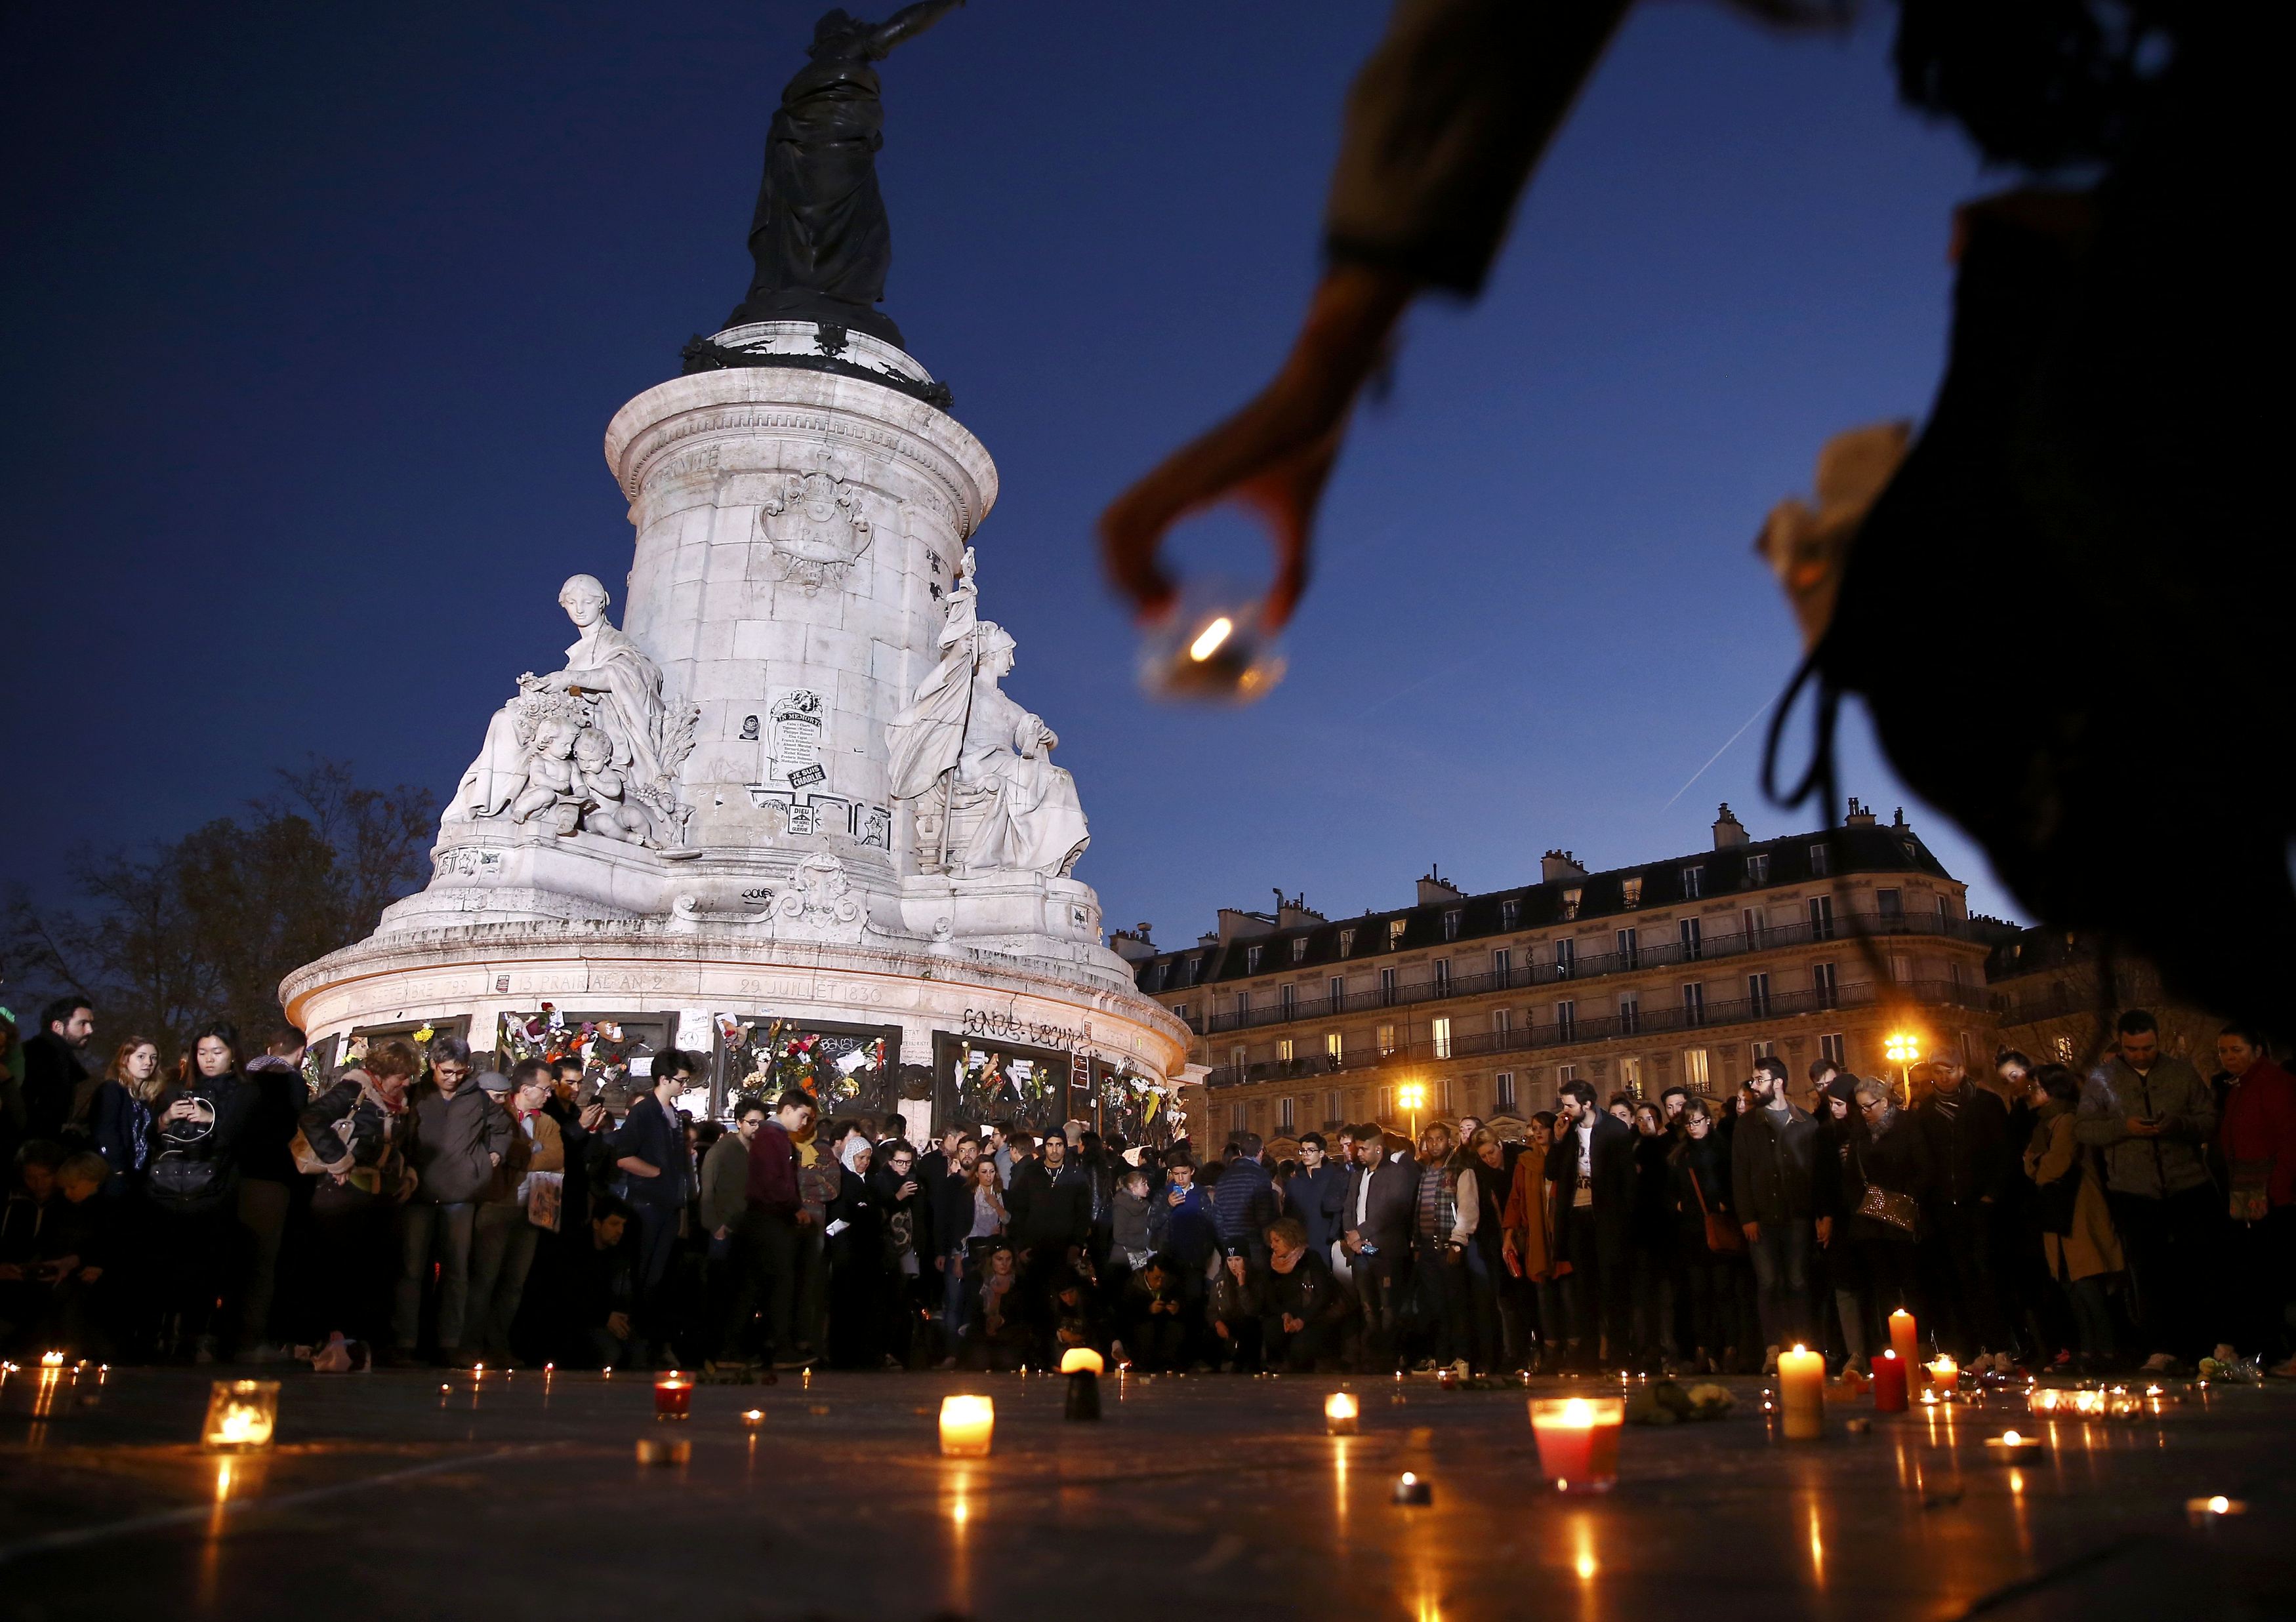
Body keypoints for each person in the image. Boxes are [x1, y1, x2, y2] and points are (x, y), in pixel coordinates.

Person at [2076, 1010, 2218, 1369]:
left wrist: (2179, 1125)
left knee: (2197, 1268)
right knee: (2149, 1272)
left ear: (2157, 1040)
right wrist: (2124, 1127)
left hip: (2187, 1184)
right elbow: (2086, 1129)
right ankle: (2160, 1346)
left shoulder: (2181, 1072)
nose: (2141, 1055)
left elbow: (2208, 1119)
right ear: (2121, 1044)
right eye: (2132, 1049)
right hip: (2134, 1190)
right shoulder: (2102, 1079)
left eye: (2148, 1048)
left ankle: (2203, 1345)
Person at [389, 1036, 509, 1368]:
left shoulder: (478, 1099)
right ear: (432, 1066)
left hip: (460, 1195)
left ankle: (450, 1344)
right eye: (447, 1072)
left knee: (457, 1272)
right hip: (419, 1194)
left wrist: (491, 1158)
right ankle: (406, 1343)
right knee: (412, 1270)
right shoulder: (417, 1095)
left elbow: (502, 1129)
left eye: (460, 1072)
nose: (454, 1078)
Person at [298, 1039, 420, 1368]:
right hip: (342, 1197)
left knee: (375, 1273)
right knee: (338, 1271)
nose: (408, 1082)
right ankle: (331, 1344)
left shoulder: (400, 1102)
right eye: (402, 1075)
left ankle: (365, 1346)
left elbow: (390, 1143)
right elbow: (312, 1118)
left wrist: (405, 1171)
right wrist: (338, 1160)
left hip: (379, 1196)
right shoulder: (355, 1089)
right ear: (382, 1073)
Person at [147, 1021, 255, 1362]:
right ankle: (158, 1334)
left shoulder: (244, 1091)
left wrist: (208, 1119)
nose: (209, 1059)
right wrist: (165, 1119)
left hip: (213, 1189)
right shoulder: (175, 1088)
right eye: (202, 1052)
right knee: (165, 1265)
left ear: (232, 1055)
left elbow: (238, 1136)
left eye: (217, 1052)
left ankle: (196, 1337)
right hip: (167, 1190)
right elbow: (151, 1138)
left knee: (205, 1266)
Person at [1912, 1057, 2015, 1368]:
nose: (1943, 1078)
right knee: (1962, 1276)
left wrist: (1991, 1194)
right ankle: (1979, 1347)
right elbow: (1926, 1157)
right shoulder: (1928, 1111)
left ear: (1962, 1071)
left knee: (1987, 1272)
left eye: (1949, 1072)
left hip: (1981, 1202)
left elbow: (2003, 1151)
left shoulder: (1984, 1103)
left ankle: (2003, 1345)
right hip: (1946, 1205)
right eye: (1938, 1073)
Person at [2021, 1062, 2122, 1373]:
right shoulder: (2044, 1124)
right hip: (2058, 1212)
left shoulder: (2067, 1120)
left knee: (2086, 1283)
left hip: (2078, 1210)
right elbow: (2030, 1164)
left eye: (2036, 1088)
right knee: (2071, 1284)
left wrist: (2037, 1164)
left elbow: (2054, 1165)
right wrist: (2037, 1164)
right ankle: (2088, 1350)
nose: (2032, 1094)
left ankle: (2107, 1350)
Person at [467, 1062, 563, 1365]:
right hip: (497, 1205)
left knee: (514, 1283)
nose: (549, 1094)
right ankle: (470, 1345)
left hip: (533, 1209)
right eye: (545, 1089)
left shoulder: (546, 1121)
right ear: (525, 1089)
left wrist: (520, 1156)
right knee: (484, 1278)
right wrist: (529, 1152)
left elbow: (556, 1156)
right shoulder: (499, 1114)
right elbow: (498, 1152)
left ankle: (498, 1344)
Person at [2214, 1025, 2296, 1373]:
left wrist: (2277, 1190)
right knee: (2263, 1275)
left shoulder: (2275, 1085)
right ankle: (2275, 1349)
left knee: (2282, 1275)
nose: (2230, 1057)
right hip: (2249, 1194)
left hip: (2275, 1196)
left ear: (2257, 1051)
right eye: (2224, 1051)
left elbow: (2289, 1141)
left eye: (2237, 1050)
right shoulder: (2238, 1088)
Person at [1732, 1055, 1818, 1371]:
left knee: (1797, 1281)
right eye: (1753, 1080)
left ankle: (1802, 1346)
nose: (1754, 1086)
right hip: (1762, 1217)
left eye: (1759, 1080)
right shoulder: (1747, 1124)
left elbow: (1814, 1172)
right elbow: (1740, 1172)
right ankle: (1772, 1348)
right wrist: (1747, 1217)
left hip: (1797, 1215)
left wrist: (1819, 1214)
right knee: (1769, 1283)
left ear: (1778, 1083)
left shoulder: (1806, 1122)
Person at [611, 1047, 697, 1360]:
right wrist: (658, 1173)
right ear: (664, 1078)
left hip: (669, 1206)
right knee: (642, 1273)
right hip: (647, 1204)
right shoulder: (645, 1111)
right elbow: (624, 1156)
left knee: (660, 1277)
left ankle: (650, 1341)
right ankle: (632, 1342)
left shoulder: (672, 1114)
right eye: (680, 1080)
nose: (683, 1086)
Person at [725, 1091, 820, 1371]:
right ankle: (779, 1347)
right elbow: (774, 1181)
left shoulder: (773, 1137)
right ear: (787, 1109)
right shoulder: (771, 1136)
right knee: (780, 1283)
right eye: (803, 1115)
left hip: (767, 1218)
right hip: (769, 1219)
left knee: (754, 1285)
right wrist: (795, 1207)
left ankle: (736, 1350)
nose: (804, 1124)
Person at [1548, 1080, 1635, 1369]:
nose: (1565, 1110)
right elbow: (1552, 1172)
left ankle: (1619, 1354)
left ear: (1587, 1104)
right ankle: (1588, 1357)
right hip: (1577, 1216)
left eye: (1570, 1105)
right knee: (1584, 1291)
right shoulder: (1568, 1131)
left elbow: (1626, 1182)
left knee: (1613, 1289)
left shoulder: (1613, 1129)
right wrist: (1557, 1141)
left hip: (1607, 1219)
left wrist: (1623, 1223)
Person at [234, 1025, 309, 1363]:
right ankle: (250, 1342)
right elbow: (294, 1128)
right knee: (263, 1264)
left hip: (232, 1176)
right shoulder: (289, 1081)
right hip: (270, 1177)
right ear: (301, 1052)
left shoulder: (242, 1076)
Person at [1847, 1075, 1932, 1342]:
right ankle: (1890, 1344)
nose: (1864, 1113)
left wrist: (1906, 1195)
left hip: (1902, 1217)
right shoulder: (1860, 1131)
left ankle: (1921, 1343)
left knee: (1912, 1284)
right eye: (1860, 1108)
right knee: (1883, 1287)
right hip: (1872, 1220)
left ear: (1884, 1102)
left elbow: (1924, 1168)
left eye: (1868, 1106)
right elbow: (1851, 1173)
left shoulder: (1907, 1125)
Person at [1670, 1098, 1741, 1376]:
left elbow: (1730, 1182)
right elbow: (1674, 1189)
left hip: (1720, 1227)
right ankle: (1703, 1350)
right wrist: (1681, 1205)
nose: (1693, 1127)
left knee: (1724, 1291)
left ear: (1708, 1120)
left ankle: (1730, 1349)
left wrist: (1723, 1204)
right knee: (1699, 1293)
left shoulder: (1722, 1148)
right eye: (1688, 1123)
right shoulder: (1681, 1154)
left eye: (1697, 1121)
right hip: (1692, 1231)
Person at [1343, 1121, 1418, 1371]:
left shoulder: (1397, 1174)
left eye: (1363, 1149)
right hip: (1361, 1252)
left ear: (1378, 1148)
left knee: (1388, 1307)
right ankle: (1372, 1355)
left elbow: (1392, 1212)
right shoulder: (1357, 1176)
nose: (1358, 1154)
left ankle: (1388, 1356)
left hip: (1384, 1251)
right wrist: (1353, 1238)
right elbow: (1348, 1209)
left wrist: (1359, 1234)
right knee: (1367, 1306)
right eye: (1357, 1149)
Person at [1407, 1123, 1477, 1375]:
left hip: (1449, 1246)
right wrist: (1416, 1243)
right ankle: (1442, 1357)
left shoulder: (1460, 1168)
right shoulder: (1426, 1170)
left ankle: (1462, 1357)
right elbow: (1420, 1207)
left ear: (1449, 1140)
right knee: (1436, 1307)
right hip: (1427, 1248)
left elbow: (1468, 1207)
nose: (1435, 1144)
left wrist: (1458, 1242)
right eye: (1430, 1140)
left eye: (1440, 1139)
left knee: (1456, 1304)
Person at [1502, 1111, 1564, 1372]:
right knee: (1543, 1294)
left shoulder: (1564, 1158)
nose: (1538, 1132)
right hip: (1536, 1238)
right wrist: (1509, 1234)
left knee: (1568, 1294)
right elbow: (1515, 1200)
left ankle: (1572, 1349)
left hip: (1561, 1235)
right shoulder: (1525, 1161)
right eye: (1533, 1128)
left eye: (1543, 1128)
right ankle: (1549, 1351)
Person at [1258, 1215, 1357, 1371]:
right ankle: (1278, 1365)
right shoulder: (1273, 1265)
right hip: (1287, 1316)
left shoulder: (1310, 1259)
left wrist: (1302, 1320)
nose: (1273, 1246)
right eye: (1271, 1241)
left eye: (1277, 1240)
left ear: (1290, 1238)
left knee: (1302, 1345)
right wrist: (1285, 1314)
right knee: (1271, 1329)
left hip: (1313, 1316)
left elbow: (1323, 1295)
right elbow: (1271, 1300)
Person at [869, 1139, 932, 1367]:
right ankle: (885, 1350)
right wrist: (899, 1197)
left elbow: (922, 1216)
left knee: (905, 1301)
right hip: (888, 1249)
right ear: (890, 1161)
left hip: (910, 1248)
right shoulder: (881, 1181)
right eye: (900, 1162)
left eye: (908, 1162)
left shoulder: (916, 1180)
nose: (904, 1167)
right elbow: (879, 1212)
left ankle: (902, 1351)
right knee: (889, 1302)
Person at [1628, 1102, 1679, 1371]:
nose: (1644, 1123)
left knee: (1657, 1296)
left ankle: (1659, 1349)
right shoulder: (1634, 1148)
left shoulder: (1659, 1150)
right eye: (1640, 1118)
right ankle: (1652, 1350)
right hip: (1647, 1232)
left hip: (1656, 1231)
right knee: (1649, 1296)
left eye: (1650, 1118)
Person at [85, 1036, 164, 1195]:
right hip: (112, 1178)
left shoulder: (146, 1100)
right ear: (125, 1059)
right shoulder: (112, 1090)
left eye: (153, 1058)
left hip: (138, 1179)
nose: (148, 1062)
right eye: (141, 1056)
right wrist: (118, 1169)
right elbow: (105, 1131)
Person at [22, 997, 94, 1145]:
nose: (90, 1030)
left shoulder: (59, 1059)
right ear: (57, 1027)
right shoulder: (41, 1057)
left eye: (91, 1024)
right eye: (83, 1023)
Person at [1289, 1131, 1348, 1268]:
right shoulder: (1295, 1182)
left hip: (1327, 1243)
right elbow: (1289, 1214)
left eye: (1310, 1150)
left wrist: (1334, 1236)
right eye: (1303, 1151)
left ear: (1321, 1153)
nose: (1305, 1154)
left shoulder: (1334, 1177)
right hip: (1302, 1244)